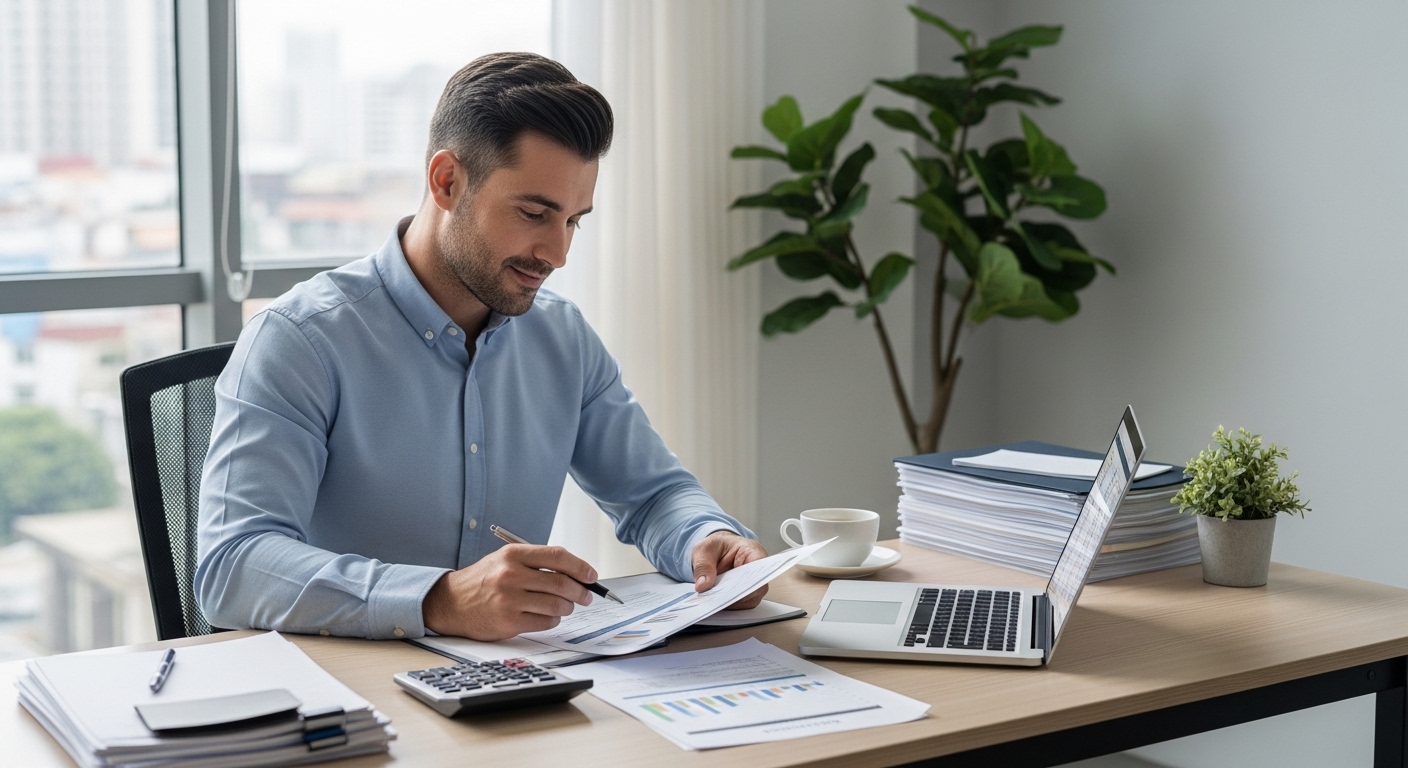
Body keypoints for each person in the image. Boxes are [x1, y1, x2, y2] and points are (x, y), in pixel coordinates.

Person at [195, 52, 766, 642]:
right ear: (447, 181)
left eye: (573, 221)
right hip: (349, 702)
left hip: (514, 690)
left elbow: (652, 494)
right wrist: (438, 599)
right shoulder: (301, 341)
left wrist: (704, 536)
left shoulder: (562, 338)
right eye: (533, 213)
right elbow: (231, 565)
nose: (557, 253)